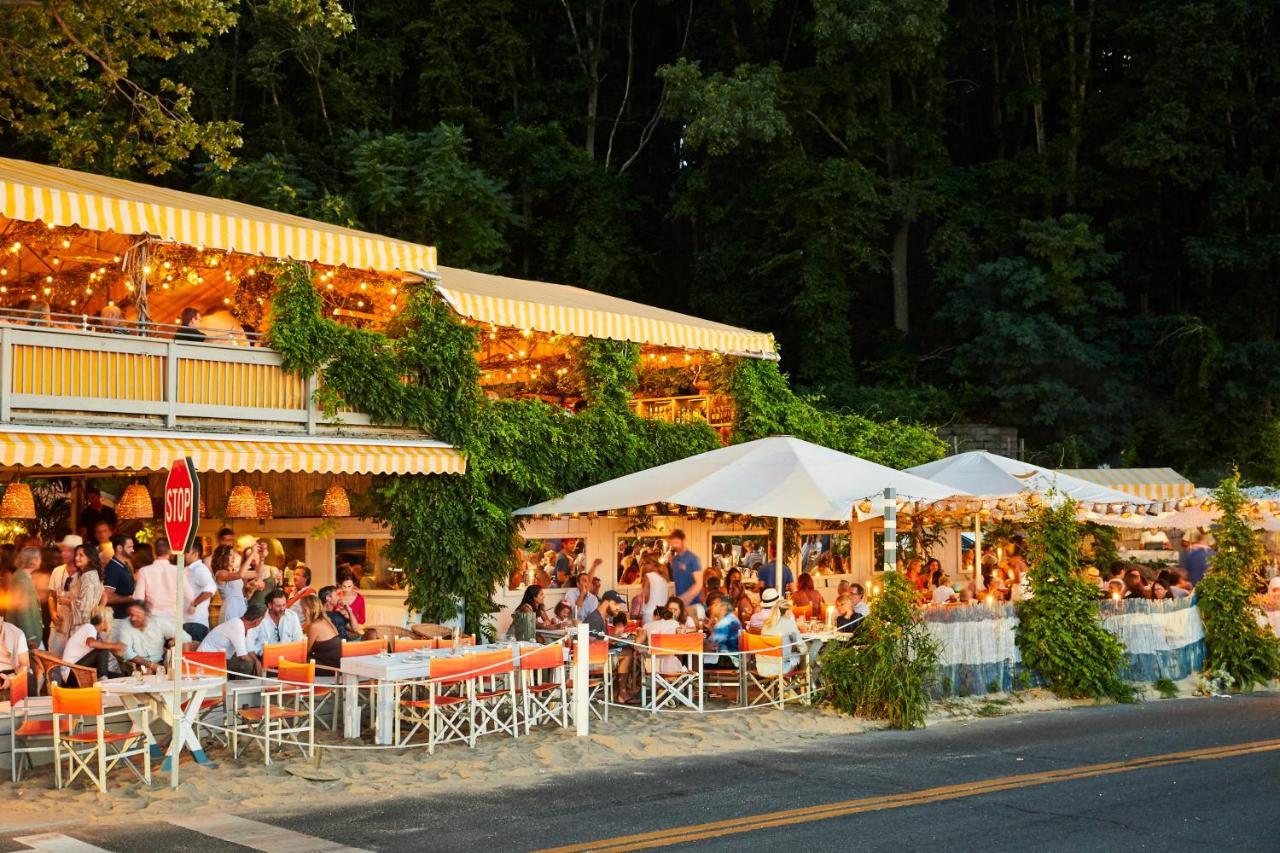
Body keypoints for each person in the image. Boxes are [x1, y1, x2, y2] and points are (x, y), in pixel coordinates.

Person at [117, 601, 190, 674]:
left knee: (174, 671)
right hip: (138, 663)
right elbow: (127, 652)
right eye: (131, 615)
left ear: (146, 614)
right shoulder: (126, 625)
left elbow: (184, 637)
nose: (133, 619)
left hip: (161, 661)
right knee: (147, 674)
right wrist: (152, 665)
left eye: (138, 615)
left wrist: (184, 664)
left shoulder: (158, 622)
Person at [198, 603, 266, 677]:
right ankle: (240, 688)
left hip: (214, 659)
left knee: (246, 662)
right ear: (258, 621)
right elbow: (243, 656)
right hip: (207, 661)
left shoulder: (239, 623)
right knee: (247, 664)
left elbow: (245, 651)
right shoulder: (238, 625)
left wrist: (256, 661)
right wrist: (255, 663)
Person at [132, 538, 192, 622]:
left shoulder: (144, 571)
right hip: (173, 618)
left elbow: (138, 597)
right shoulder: (178, 570)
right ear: (170, 551)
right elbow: (188, 595)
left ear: (154, 552)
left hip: (153, 618)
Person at [62, 608, 124, 680]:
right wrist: (114, 645)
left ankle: (104, 678)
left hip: (74, 673)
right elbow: (91, 643)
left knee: (119, 677)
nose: (111, 623)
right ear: (103, 622)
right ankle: (103, 680)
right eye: (110, 621)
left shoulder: (91, 631)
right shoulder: (90, 628)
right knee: (103, 649)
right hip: (72, 674)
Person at [47, 534, 81, 655]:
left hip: (77, 627)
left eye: (69, 550)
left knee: (73, 664)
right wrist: (53, 614)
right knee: (53, 662)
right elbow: (51, 596)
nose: (64, 554)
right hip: (58, 625)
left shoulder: (86, 574)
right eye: (63, 550)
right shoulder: (57, 570)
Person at [6, 546, 43, 651]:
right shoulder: (22, 579)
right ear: (33, 560)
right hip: (26, 636)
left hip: (23, 635)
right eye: (39, 558)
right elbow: (23, 610)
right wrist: (30, 637)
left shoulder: (22, 576)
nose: (41, 561)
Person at [760, 599, 806, 676]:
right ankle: (801, 683)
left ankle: (784, 684)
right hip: (780, 668)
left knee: (791, 654)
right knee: (803, 655)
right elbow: (802, 647)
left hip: (762, 668)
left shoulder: (766, 624)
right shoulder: (789, 623)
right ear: (788, 612)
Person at [67, 543, 105, 635]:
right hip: (88, 624)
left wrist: (67, 602)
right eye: (76, 555)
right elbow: (104, 595)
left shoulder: (88, 576)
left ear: (90, 558)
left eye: (81, 555)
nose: (77, 558)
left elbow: (85, 605)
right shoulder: (90, 574)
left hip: (83, 625)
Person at [251, 587, 304, 653]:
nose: (282, 609)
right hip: (264, 656)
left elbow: (298, 640)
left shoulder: (292, 616)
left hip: (287, 656)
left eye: (284, 605)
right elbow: (251, 642)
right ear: (270, 605)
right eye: (278, 606)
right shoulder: (260, 617)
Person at [300, 593, 341, 673]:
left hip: (330, 666)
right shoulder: (326, 620)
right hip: (336, 662)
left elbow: (306, 651)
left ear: (307, 609)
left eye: (302, 609)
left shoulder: (315, 626)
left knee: (296, 660)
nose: (302, 612)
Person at [212, 543, 251, 624]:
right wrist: (252, 555)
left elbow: (258, 573)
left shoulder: (235, 571)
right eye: (230, 555)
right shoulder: (220, 573)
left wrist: (262, 558)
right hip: (231, 607)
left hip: (241, 605)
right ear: (222, 557)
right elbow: (241, 574)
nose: (233, 557)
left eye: (234, 555)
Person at [102, 533, 136, 620]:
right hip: (118, 618)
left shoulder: (125, 564)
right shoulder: (113, 568)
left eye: (132, 547)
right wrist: (131, 599)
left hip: (126, 616)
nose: (132, 550)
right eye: (129, 547)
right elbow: (107, 597)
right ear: (119, 548)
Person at [667, 530, 705, 609]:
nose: (674, 546)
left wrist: (683, 599)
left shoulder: (693, 559)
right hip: (680, 605)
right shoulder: (674, 560)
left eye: (676, 542)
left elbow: (699, 584)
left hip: (693, 604)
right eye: (672, 543)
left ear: (683, 541)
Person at [702, 595, 742, 669]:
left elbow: (712, 646)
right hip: (732, 658)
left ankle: (695, 678)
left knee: (697, 659)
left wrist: (699, 646)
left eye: (717, 605)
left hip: (729, 661)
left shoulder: (724, 623)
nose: (713, 607)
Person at [0, 610, 31, 696]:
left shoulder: (16, 633)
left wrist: (11, 679)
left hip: (11, 672)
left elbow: (25, 665)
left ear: (1, 618)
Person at [641, 557, 670, 624]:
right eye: (643, 564)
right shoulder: (664, 579)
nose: (644, 566)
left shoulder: (648, 576)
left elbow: (645, 596)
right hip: (662, 616)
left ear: (654, 564)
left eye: (646, 564)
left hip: (650, 616)